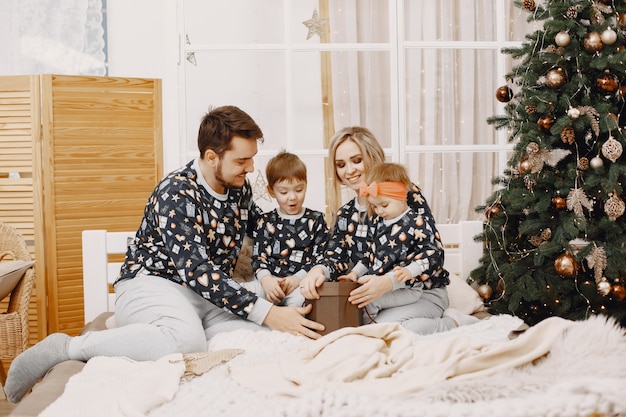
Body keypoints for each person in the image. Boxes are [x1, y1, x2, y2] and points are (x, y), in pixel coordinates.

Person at [4, 105, 323, 403]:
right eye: (242, 161)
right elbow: (197, 271)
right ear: (212, 157)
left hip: (206, 296)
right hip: (152, 284)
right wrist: (266, 312)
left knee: (284, 307)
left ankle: (148, 330)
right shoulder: (176, 191)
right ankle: (67, 346)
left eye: (252, 159)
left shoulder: (238, 191)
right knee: (190, 342)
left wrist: (306, 267)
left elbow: (266, 231)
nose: (252, 169)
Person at [299, 126, 477, 334]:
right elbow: (335, 256)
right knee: (370, 326)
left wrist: (387, 282)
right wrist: (318, 270)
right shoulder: (345, 215)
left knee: (388, 329)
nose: (349, 171)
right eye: (341, 164)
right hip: (382, 299)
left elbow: (432, 253)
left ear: (372, 156)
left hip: (423, 292)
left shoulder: (405, 194)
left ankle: (453, 323)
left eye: (357, 160)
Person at [243, 151, 329, 307]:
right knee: (245, 293)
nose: (292, 197)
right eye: (283, 192)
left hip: (300, 284)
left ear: (306, 185)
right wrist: (266, 279)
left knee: (305, 300)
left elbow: (320, 257)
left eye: (298, 190)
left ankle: (289, 322)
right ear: (271, 191)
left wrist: (298, 279)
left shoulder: (316, 219)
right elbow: (259, 257)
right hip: (269, 283)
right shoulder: (265, 221)